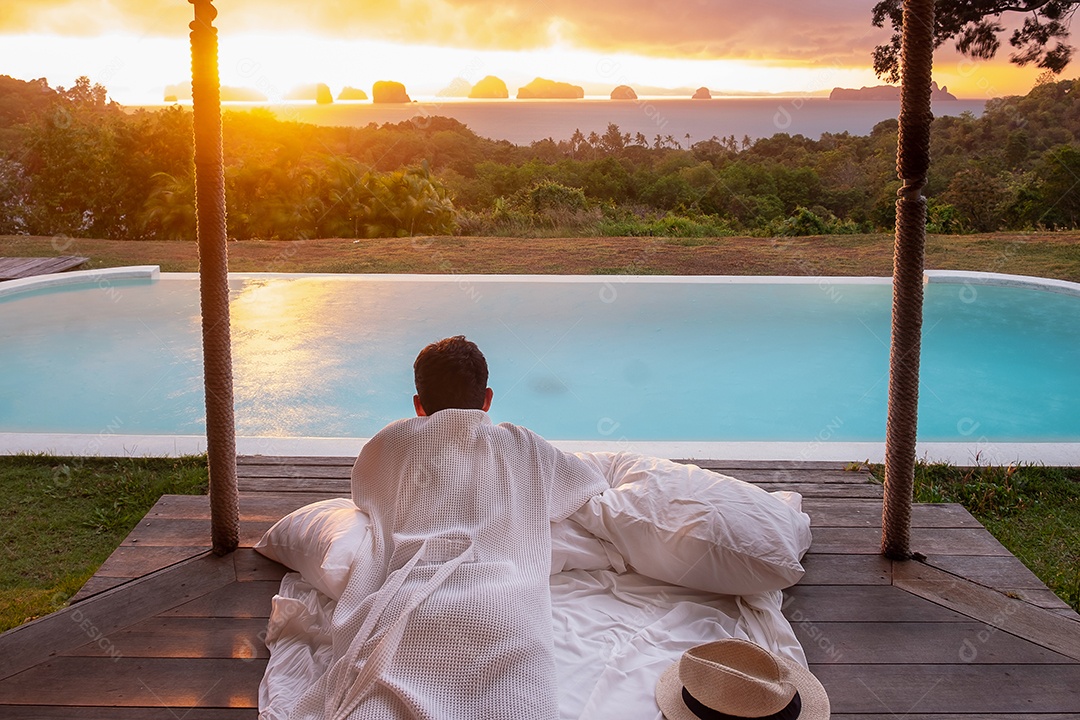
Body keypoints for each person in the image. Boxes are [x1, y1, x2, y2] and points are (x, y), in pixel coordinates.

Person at [292, 335, 608, 720]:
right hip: (506, 610)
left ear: (418, 405)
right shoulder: (524, 445)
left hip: (412, 605)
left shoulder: (391, 440)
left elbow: (364, 494)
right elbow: (588, 485)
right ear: (487, 399)